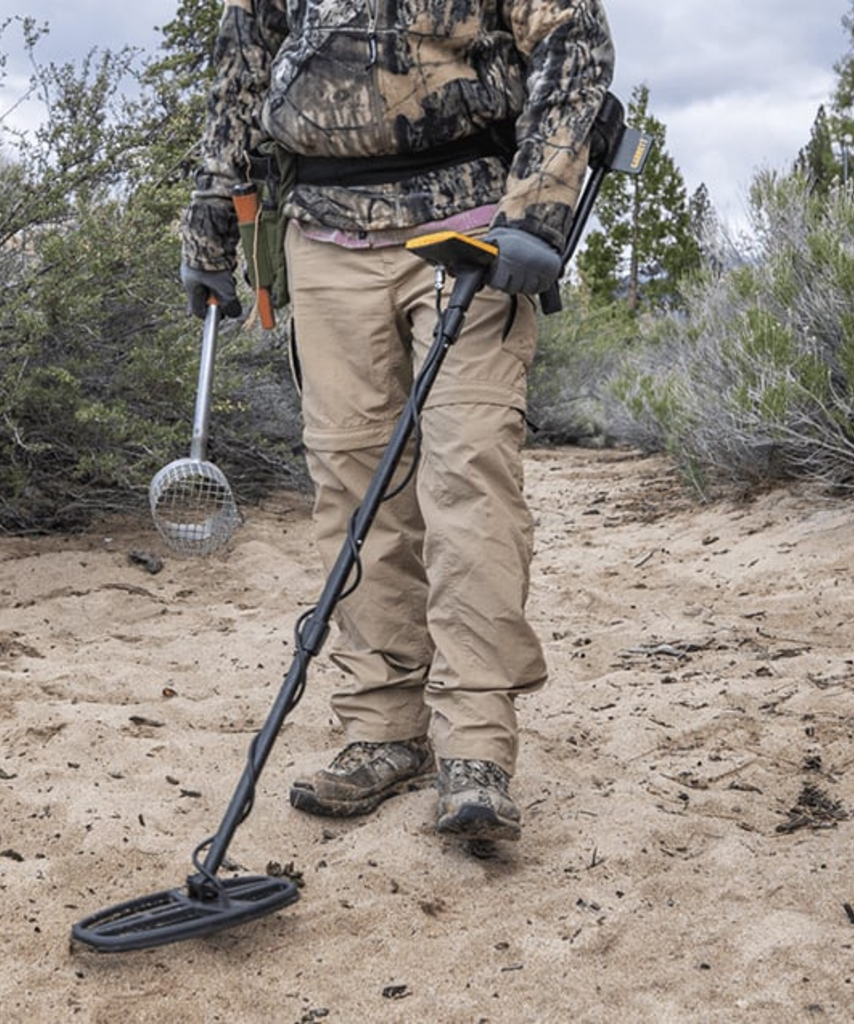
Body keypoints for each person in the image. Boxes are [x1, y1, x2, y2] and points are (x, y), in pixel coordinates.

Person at [181, 0, 615, 843]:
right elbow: (241, 60)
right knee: (354, 487)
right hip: (322, 231)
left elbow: (573, 42)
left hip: (469, 229)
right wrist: (210, 217)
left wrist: (538, 208)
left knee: (470, 480)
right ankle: (383, 730)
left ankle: (475, 748)